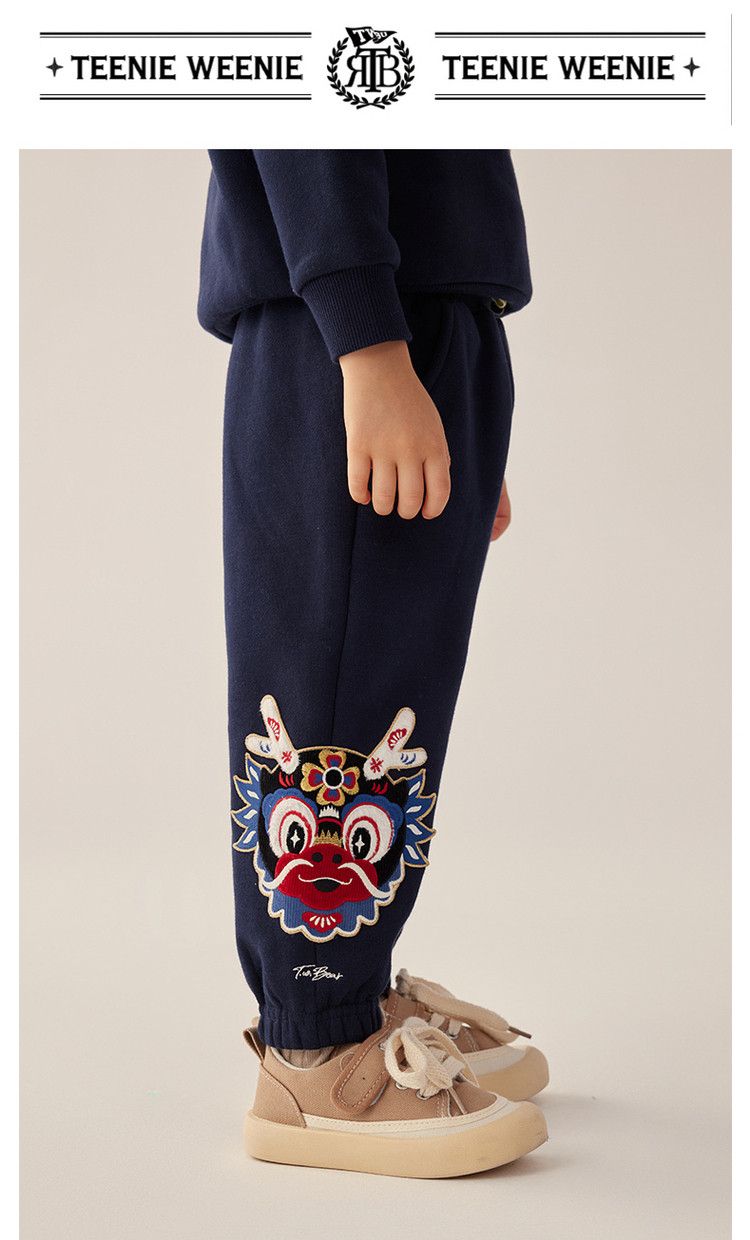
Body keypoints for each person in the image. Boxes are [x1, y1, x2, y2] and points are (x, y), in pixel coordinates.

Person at [198, 149, 549, 1177]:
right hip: (351, 321)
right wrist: (367, 343)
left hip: (414, 310)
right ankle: (316, 1045)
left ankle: (355, 984)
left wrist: (445, 380)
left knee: (387, 692)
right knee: (328, 698)